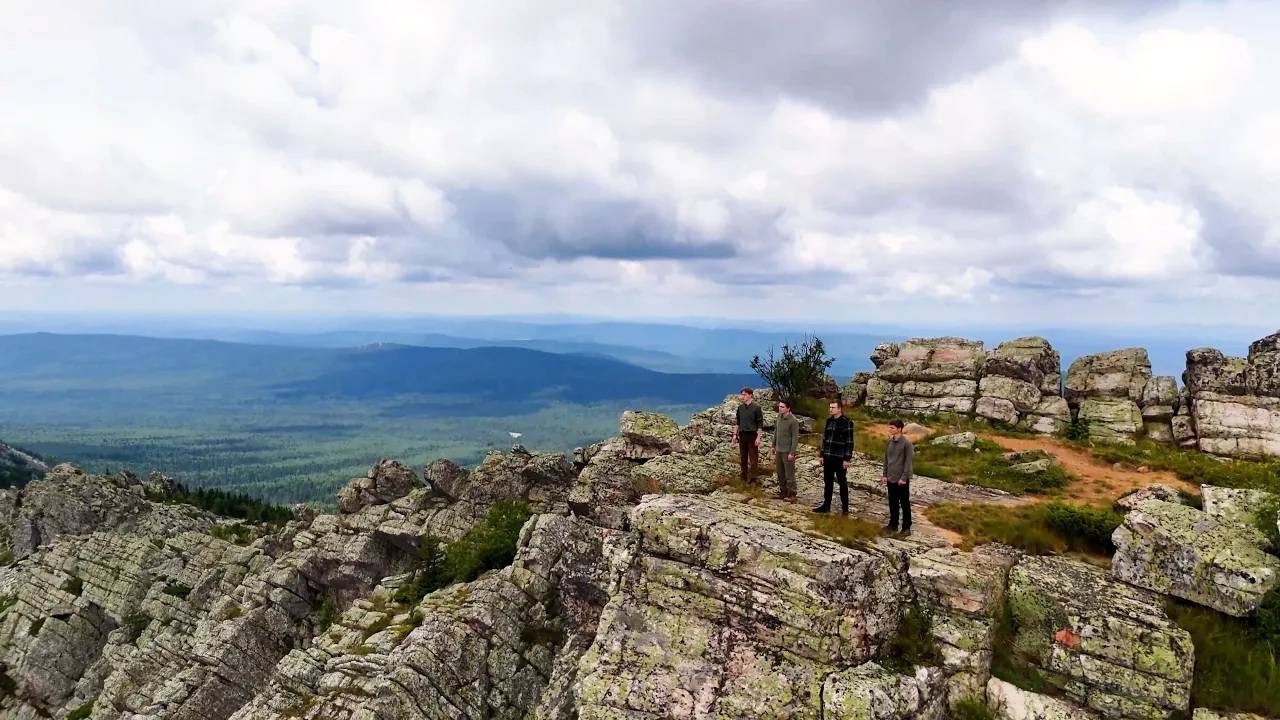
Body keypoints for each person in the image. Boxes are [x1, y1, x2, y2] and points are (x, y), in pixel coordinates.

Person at [814, 400, 853, 514]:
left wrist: (847, 458)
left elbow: (849, 442)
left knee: (842, 483)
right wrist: (821, 455)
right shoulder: (829, 421)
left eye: (833, 407)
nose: (830, 409)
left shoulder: (847, 422)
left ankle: (845, 509)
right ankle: (826, 506)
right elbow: (825, 439)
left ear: (839, 409)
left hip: (840, 458)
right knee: (828, 482)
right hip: (828, 457)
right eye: (830, 407)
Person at [883, 418, 914, 534]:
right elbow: (886, 459)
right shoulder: (889, 442)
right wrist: (884, 475)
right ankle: (893, 524)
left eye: (892, 427)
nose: (890, 429)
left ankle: (906, 527)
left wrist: (904, 477)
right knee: (893, 502)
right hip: (891, 476)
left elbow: (908, 462)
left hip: (901, 479)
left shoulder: (907, 444)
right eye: (889, 427)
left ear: (899, 429)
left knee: (904, 502)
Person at [733, 387, 765, 484]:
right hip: (742, 435)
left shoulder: (756, 408)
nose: (743, 397)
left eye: (744, 394)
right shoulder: (740, 408)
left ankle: (753, 479)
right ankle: (743, 478)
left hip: (752, 435)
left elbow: (760, 424)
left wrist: (758, 437)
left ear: (750, 395)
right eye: (742, 395)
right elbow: (737, 422)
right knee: (743, 459)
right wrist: (734, 435)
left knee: (753, 459)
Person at [773, 399, 800, 501]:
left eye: (782, 407)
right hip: (779, 449)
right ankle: (783, 492)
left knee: (789, 473)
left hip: (787, 451)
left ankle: (792, 494)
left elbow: (795, 438)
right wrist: (773, 445)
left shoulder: (793, 421)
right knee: (780, 472)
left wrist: (792, 452)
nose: (780, 408)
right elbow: (776, 431)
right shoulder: (779, 417)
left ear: (788, 408)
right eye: (779, 406)